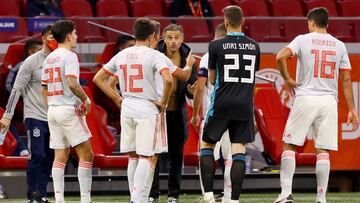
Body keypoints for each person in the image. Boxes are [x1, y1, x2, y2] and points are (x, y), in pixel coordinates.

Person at [274, 7, 359, 203]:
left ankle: (286, 194)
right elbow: (346, 80)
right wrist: (352, 110)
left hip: (306, 97)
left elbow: (280, 56)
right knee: (323, 150)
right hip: (329, 100)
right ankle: (321, 198)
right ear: (327, 24)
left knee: (289, 144)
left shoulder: (302, 39)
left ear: (311, 22)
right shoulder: (339, 45)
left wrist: (287, 78)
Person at [199, 5, 260, 203]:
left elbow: (211, 78)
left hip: (222, 103)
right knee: (238, 151)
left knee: (207, 145)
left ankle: (208, 195)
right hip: (244, 105)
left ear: (225, 22)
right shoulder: (255, 46)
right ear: (243, 22)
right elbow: (253, 77)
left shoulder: (215, 45)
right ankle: (233, 199)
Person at [0, 26, 57, 203]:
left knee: (50, 157)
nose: (53, 40)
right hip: (34, 116)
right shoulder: (31, 62)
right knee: (38, 154)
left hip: (55, 116)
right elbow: (16, 89)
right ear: (43, 38)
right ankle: (33, 194)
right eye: (50, 37)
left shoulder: (61, 60)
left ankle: (41, 193)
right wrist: (8, 115)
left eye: (56, 37)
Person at [41, 20, 93, 203]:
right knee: (86, 153)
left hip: (53, 109)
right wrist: (86, 99)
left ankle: (59, 199)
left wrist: (52, 107)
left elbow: (44, 88)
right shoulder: (69, 55)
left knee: (60, 155)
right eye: (76, 33)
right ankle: (85, 199)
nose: (77, 37)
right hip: (67, 109)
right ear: (69, 35)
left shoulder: (49, 58)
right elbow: (72, 82)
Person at [149, 23, 197, 203]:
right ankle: (153, 195)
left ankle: (173, 195)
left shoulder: (189, 59)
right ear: (163, 38)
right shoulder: (154, 55)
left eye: (176, 38)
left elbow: (191, 89)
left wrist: (192, 91)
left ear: (182, 38)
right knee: (153, 155)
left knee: (176, 157)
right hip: (156, 113)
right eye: (169, 38)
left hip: (177, 112)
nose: (173, 42)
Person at [190, 23, 233, 202]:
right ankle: (230, 195)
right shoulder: (237, 51)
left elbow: (200, 87)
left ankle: (207, 195)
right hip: (235, 110)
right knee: (231, 155)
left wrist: (195, 113)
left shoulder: (209, 54)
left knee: (206, 152)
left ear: (215, 37)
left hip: (213, 111)